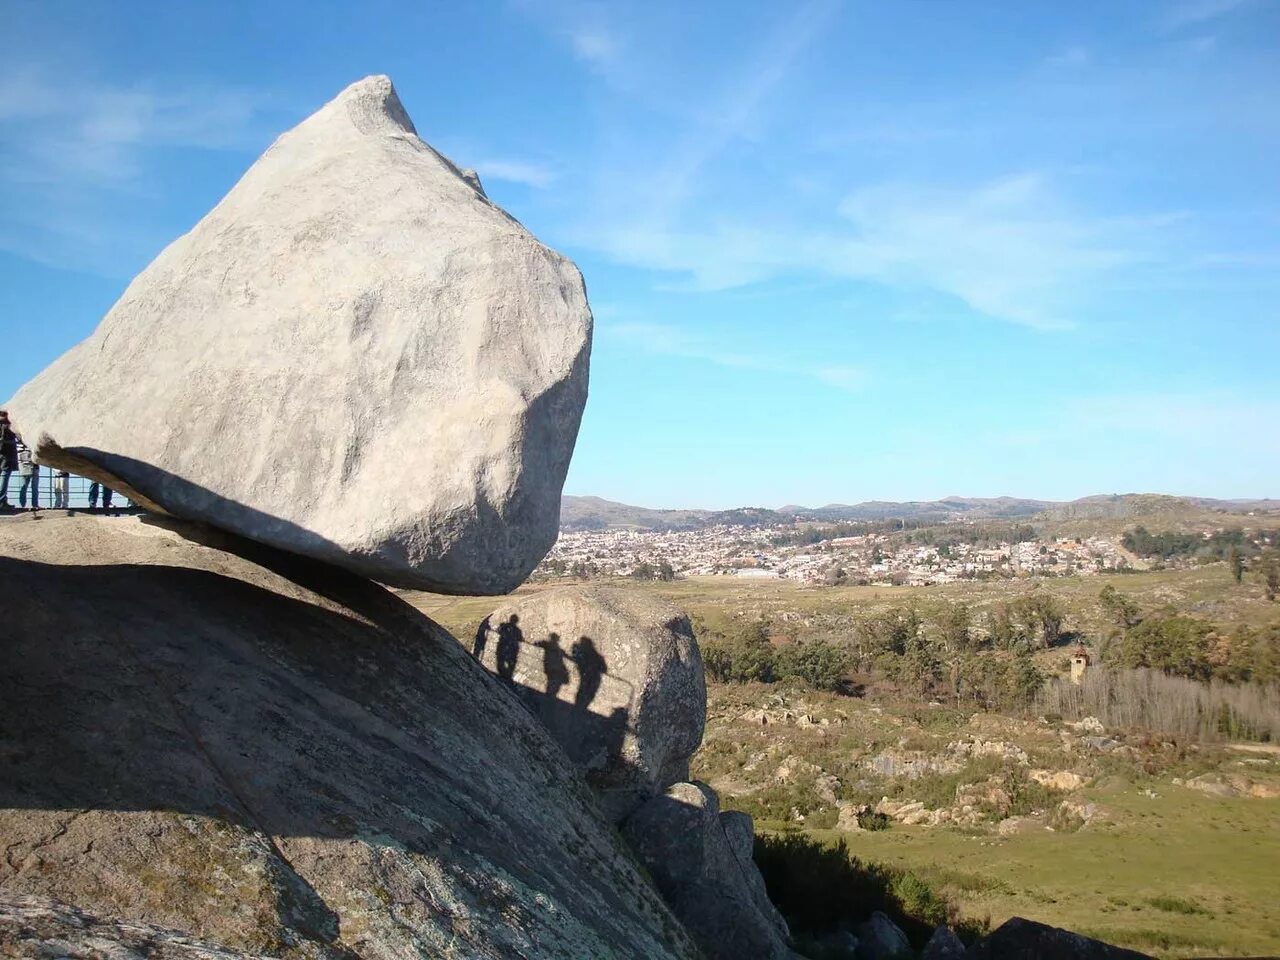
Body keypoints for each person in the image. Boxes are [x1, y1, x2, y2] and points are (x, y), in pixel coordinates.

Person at [16, 436, 38, 510]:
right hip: (30, 464)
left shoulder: (19, 441)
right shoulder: (32, 438)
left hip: (26, 465)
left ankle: (24, 505)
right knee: (31, 487)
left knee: (24, 487)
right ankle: (34, 504)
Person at [0, 410, 15, 507]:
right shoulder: (8, 425)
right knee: (5, 476)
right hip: (6, 453)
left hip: (4, 453)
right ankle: (1, 500)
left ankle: (3, 500)